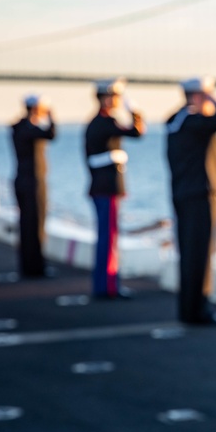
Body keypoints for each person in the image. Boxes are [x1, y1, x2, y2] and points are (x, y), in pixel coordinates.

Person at [165, 76, 216, 325]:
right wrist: (211, 98)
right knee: (201, 254)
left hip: (183, 193)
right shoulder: (195, 121)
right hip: (201, 195)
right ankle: (199, 311)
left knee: (188, 253)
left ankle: (188, 309)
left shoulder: (175, 119)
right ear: (199, 96)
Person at [85, 78, 144, 300]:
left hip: (102, 187)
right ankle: (108, 287)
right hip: (107, 188)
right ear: (106, 98)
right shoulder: (105, 122)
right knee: (108, 239)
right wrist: (136, 112)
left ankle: (105, 285)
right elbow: (137, 132)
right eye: (115, 97)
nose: (117, 101)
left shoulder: (97, 122)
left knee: (106, 238)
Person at [11, 94, 56, 278]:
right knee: (36, 225)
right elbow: (51, 133)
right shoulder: (29, 128)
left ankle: (28, 266)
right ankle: (36, 268)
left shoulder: (18, 127)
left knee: (26, 225)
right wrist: (50, 115)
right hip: (33, 182)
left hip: (23, 180)